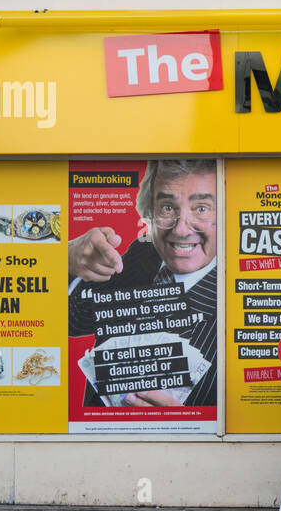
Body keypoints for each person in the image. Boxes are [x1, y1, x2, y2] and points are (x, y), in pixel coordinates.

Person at [67, 159, 218, 408]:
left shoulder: (239, 293)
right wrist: (69, 260)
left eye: (201, 208)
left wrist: (189, 423)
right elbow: (71, 320)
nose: (181, 230)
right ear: (150, 210)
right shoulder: (142, 252)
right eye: (167, 207)